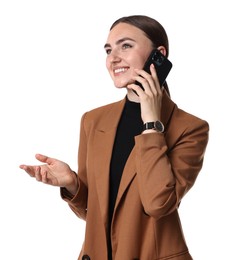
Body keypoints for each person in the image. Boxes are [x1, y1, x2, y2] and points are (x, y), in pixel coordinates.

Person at [20, 15, 209, 260]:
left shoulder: (190, 128)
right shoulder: (93, 120)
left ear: (159, 55)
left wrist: (151, 124)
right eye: (109, 50)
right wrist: (73, 184)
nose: (113, 58)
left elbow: (158, 204)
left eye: (126, 46)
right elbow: (93, 214)